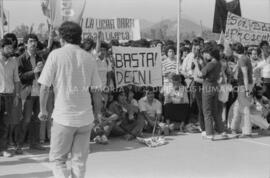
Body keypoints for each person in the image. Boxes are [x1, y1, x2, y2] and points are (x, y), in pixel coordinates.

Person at [38, 21, 102, 178]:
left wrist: (43, 109)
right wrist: (98, 113)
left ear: (61, 38)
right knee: (79, 161)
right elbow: (96, 91)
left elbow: (45, 87)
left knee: (59, 161)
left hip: (63, 117)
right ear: (79, 38)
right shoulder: (89, 58)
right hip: (85, 118)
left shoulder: (55, 55)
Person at [17, 34, 45, 154]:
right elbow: (20, 77)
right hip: (27, 92)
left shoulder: (40, 57)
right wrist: (33, 72)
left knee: (37, 119)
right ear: (25, 44)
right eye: (31, 41)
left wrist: (42, 71)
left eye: (35, 41)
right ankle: (19, 144)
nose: (33, 43)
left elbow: (45, 75)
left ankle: (35, 143)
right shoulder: (21, 59)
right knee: (26, 119)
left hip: (39, 92)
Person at [195, 43, 226, 140]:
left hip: (207, 88)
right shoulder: (218, 62)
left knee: (207, 111)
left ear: (210, 53)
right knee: (215, 111)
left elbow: (200, 74)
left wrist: (196, 64)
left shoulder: (211, 64)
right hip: (215, 87)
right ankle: (222, 131)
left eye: (205, 53)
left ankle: (209, 134)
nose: (204, 55)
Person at [0, 38, 21, 157]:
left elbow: (17, 80)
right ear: (1, 48)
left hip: (8, 96)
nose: (10, 50)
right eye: (8, 48)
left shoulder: (14, 62)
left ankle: (3, 149)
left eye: (11, 48)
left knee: (5, 124)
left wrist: (17, 95)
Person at [230, 42, 253, 137]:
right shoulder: (244, 58)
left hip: (244, 86)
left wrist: (247, 90)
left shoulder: (242, 59)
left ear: (235, 51)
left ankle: (247, 131)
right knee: (237, 107)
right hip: (244, 85)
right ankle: (234, 128)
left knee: (245, 108)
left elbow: (245, 75)